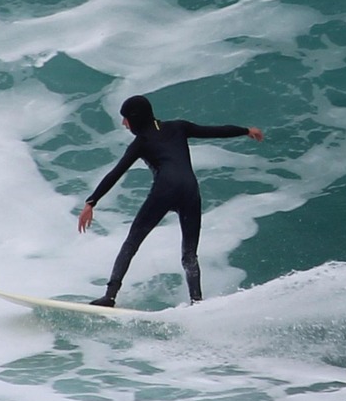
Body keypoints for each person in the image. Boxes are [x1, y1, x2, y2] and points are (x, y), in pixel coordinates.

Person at [78, 95, 264, 307]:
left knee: (132, 243)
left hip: (165, 189)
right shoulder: (178, 127)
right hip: (190, 190)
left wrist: (91, 202)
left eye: (126, 118)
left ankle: (110, 296)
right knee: (189, 255)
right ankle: (197, 302)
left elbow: (116, 172)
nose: (124, 123)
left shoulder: (141, 142)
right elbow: (214, 131)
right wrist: (245, 130)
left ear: (136, 118)